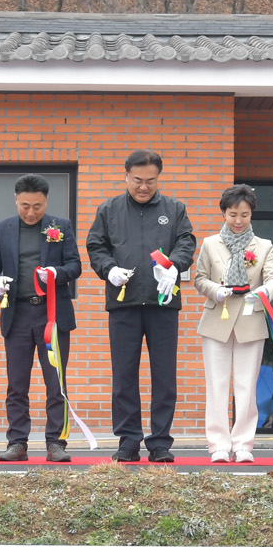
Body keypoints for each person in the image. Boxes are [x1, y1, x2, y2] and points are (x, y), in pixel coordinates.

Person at [85, 149, 196, 462]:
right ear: (126, 176)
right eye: (137, 180)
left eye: (150, 181)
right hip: (124, 303)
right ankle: (128, 440)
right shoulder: (109, 209)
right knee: (124, 375)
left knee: (164, 376)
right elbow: (95, 246)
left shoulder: (174, 209)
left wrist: (175, 266)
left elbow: (186, 241)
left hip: (163, 303)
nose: (144, 186)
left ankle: (160, 442)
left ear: (158, 178)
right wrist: (108, 269)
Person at [0, 173, 82, 463]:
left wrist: (56, 273)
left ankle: (56, 443)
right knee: (17, 384)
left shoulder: (60, 226)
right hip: (17, 313)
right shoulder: (1, 229)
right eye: (25, 205)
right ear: (16, 200)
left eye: (37, 206)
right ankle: (17, 442)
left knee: (56, 382)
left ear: (46, 201)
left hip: (52, 314)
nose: (30, 212)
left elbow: (74, 265)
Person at [193, 184, 273, 463]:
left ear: (251, 213)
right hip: (217, 319)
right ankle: (218, 444)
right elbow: (200, 279)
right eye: (233, 214)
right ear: (224, 213)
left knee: (246, 386)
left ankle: (243, 444)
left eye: (244, 214)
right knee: (216, 385)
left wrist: (263, 293)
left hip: (250, 319)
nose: (238, 220)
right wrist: (215, 291)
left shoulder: (264, 246)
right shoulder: (210, 244)